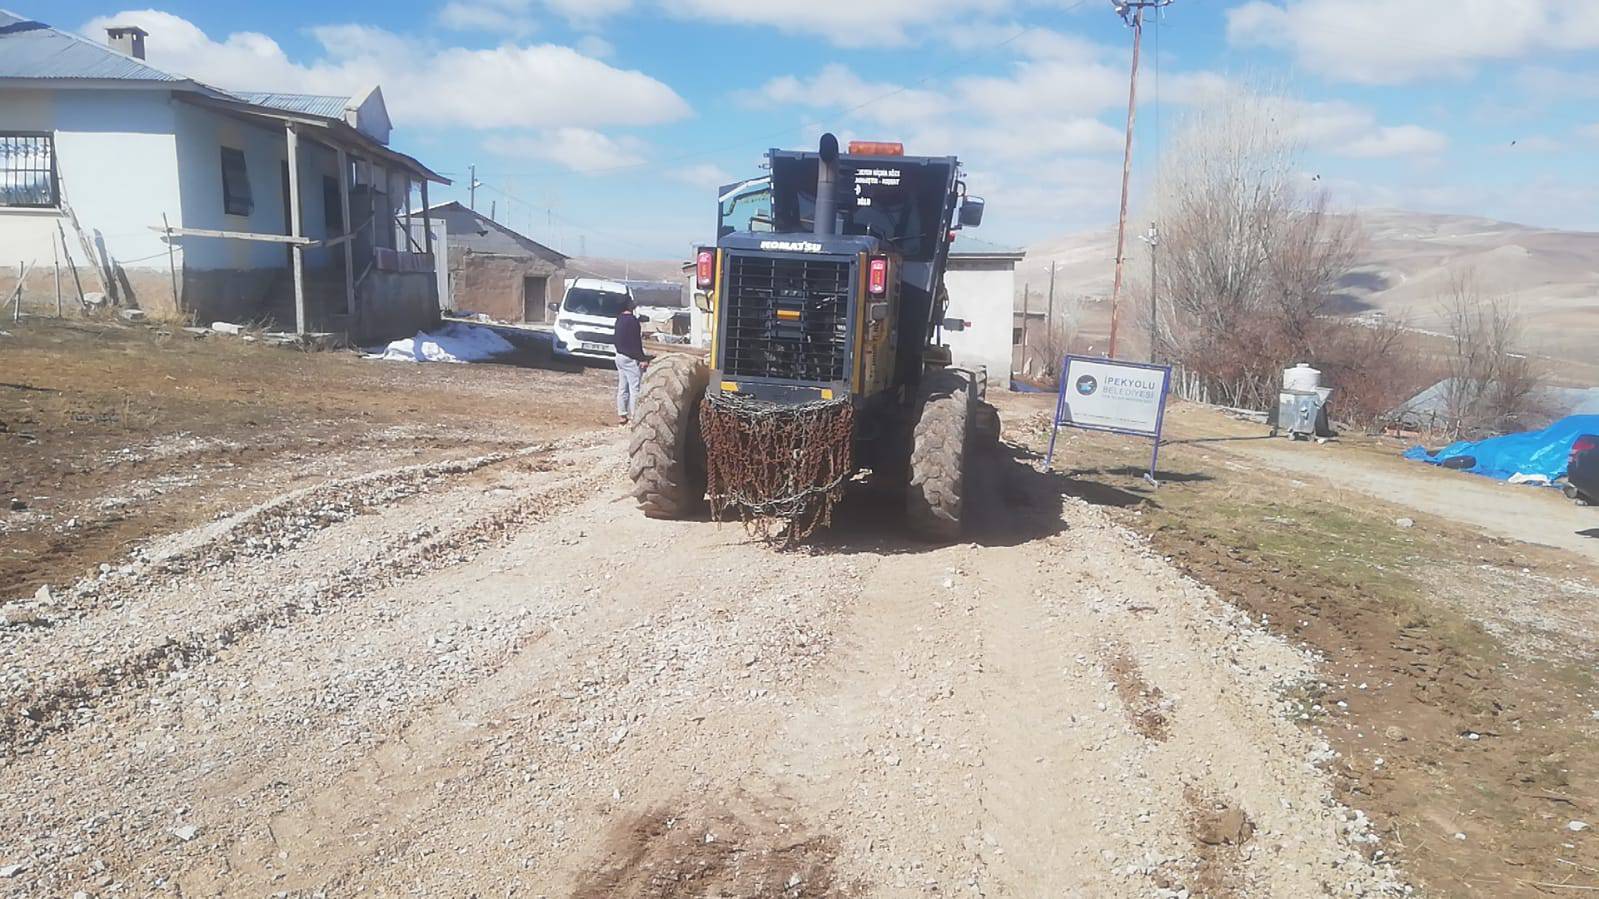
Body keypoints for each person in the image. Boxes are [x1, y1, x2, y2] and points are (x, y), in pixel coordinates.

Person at [612, 298, 648, 424]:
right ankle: (635, 416)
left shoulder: (619, 319)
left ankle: (622, 415)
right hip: (630, 358)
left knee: (623, 387)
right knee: (635, 388)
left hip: (619, 356)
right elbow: (635, 343)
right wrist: (642, 358)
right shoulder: (633, 321)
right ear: (632, 308)